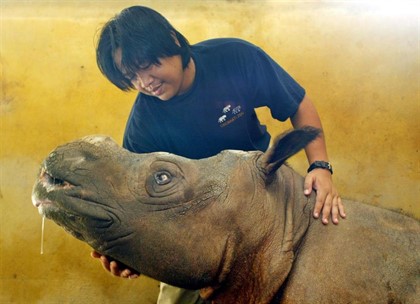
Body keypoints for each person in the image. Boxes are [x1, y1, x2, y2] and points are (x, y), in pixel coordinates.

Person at [91, 5, 346, 303]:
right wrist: (122, 251)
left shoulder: (235, 58)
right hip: (194, 219)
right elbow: (134, 202)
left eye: (147, 65)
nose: (144, 82)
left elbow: (298, 103)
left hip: (263, 190)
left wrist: (321, 167)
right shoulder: (143, 125)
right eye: (131, 76)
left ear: (172, 41)